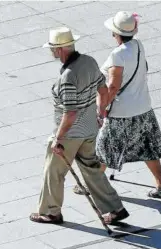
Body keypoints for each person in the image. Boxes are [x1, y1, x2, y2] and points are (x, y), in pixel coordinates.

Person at [30, 27, 129, 225]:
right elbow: (102, 89)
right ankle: (114, 208)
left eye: (53, 49)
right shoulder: (90, 61)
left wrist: (58, 139)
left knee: (53, 171)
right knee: (92, 169)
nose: (52, 52)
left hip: (70, 134)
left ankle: (51, 212)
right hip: (89, 129)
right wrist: (100, 113)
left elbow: (70, 111)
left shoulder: (68, 76)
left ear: (60, 50)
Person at [97, 11, 161, 199]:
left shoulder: (118, 54)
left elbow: (113, 86)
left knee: (104, 148)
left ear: (116, 34)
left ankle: (92, 184)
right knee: (147, 146)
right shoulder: (139, 45)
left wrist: (102, 108)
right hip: (143, 107)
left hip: (122, 112)